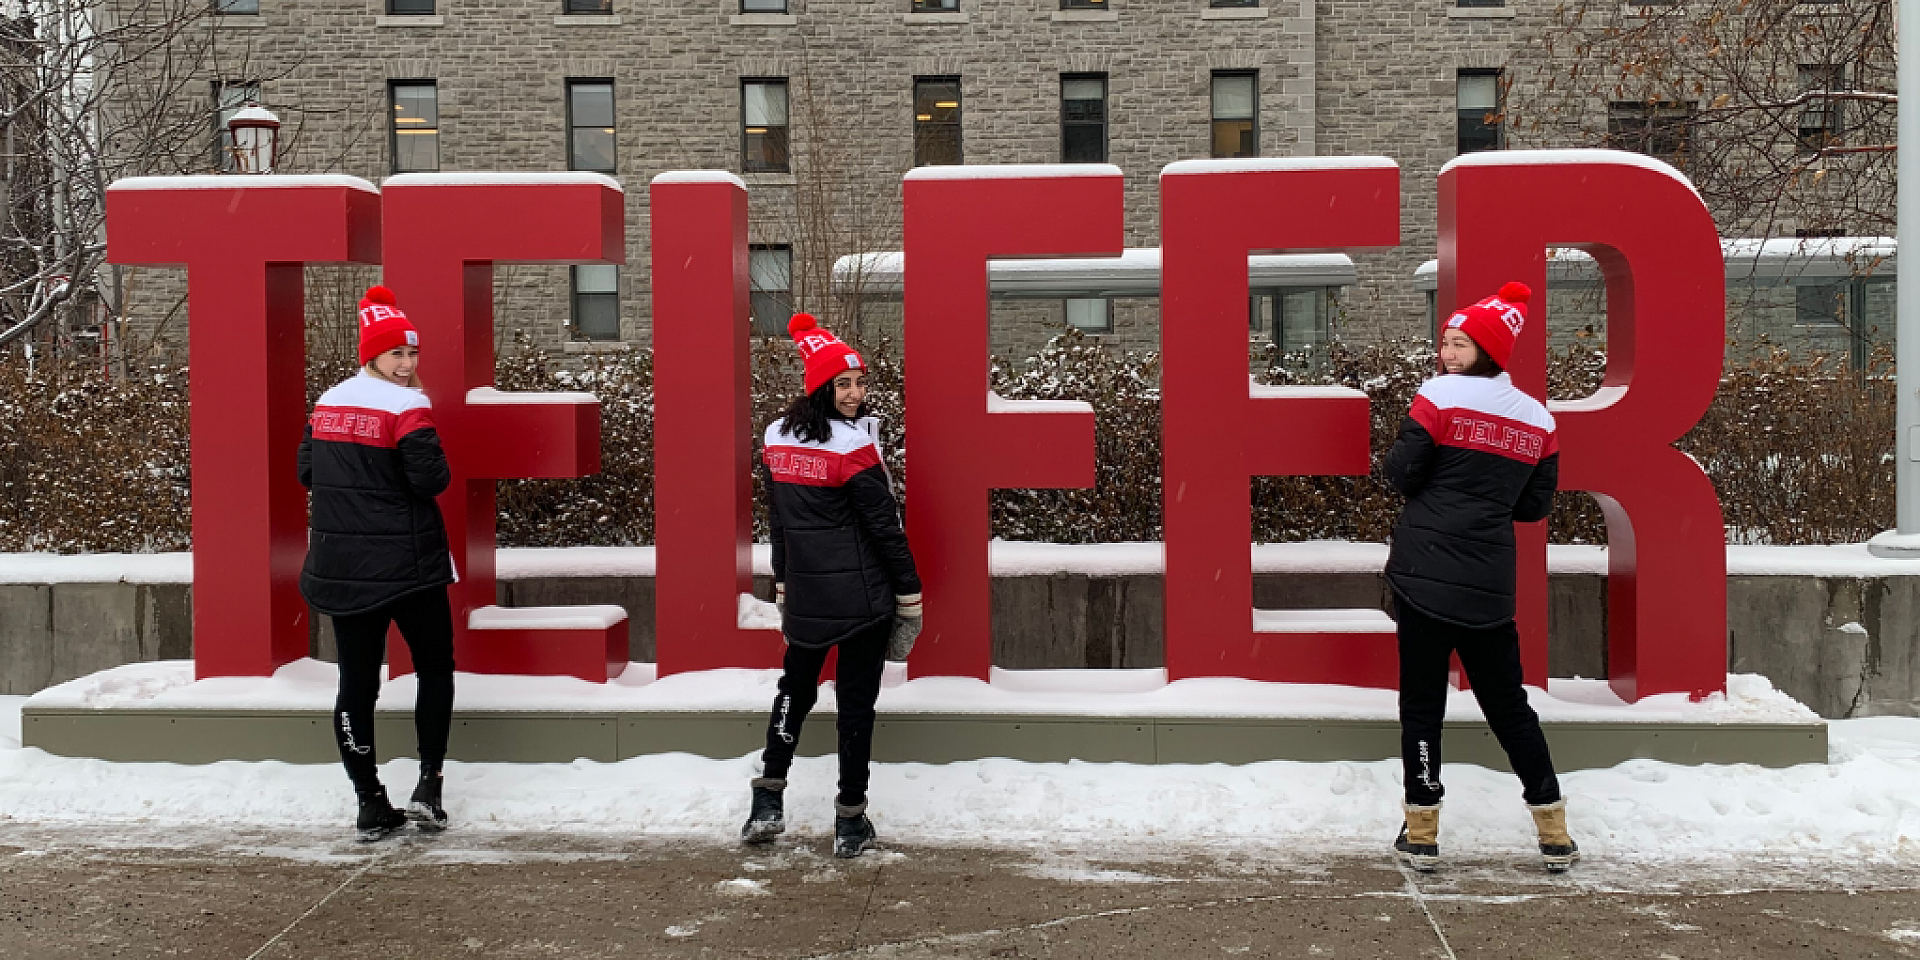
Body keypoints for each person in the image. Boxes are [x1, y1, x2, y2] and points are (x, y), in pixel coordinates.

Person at [1382, 281, 1578, 874]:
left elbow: (1401, 475)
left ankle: (1422, 829)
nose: (1448, 351)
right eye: (1446, 340)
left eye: (1461, 343)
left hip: (1422, 576)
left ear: (1488, 351)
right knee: (1509, 706)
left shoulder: (1436, 399)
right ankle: (1553, 826)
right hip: (1490, 586)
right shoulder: (1539, 421)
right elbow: (1532, 509)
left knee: (1421, 704)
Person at [741, 313, 923, 859]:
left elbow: (778, 520)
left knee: (793, 691)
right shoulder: (852, 448)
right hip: (864, 601)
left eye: (860, 381)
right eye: (843, 383)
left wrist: (783, 577)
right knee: (856, 707)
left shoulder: (775, 438)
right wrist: (909, 595)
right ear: (821, 388)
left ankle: (768, 798)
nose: (855, 392)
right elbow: (885, 529)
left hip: (805, 598)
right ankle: (849, 819)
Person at [298, 285, 456, 842]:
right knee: (434, 667)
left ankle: (369, 800)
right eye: (396, 355)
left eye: (412, 355)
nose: (407, 366)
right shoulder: (409, 406)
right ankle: (429, 784)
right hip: (407, 566)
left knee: (356, 684)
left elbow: (307, 472)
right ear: (372, 354)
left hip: (341, 566)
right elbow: (431, 479)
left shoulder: (327, 402)